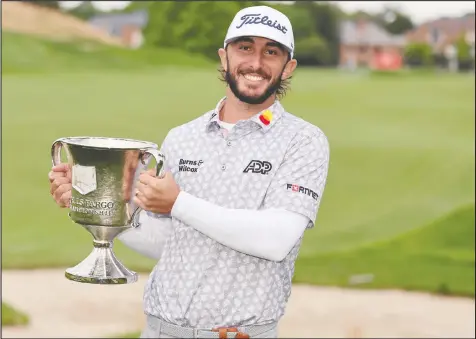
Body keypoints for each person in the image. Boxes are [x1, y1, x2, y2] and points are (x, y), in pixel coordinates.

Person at [48, 5, 330, 339]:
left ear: (288, 68)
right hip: (159, 330)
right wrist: (103, 205)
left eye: (271, 52)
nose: (256, 62)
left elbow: (276, 240)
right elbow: (172, 244)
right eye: (245, 48)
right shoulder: (183, 137)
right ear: (224, 58)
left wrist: (177, 202)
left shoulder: (303, 141)